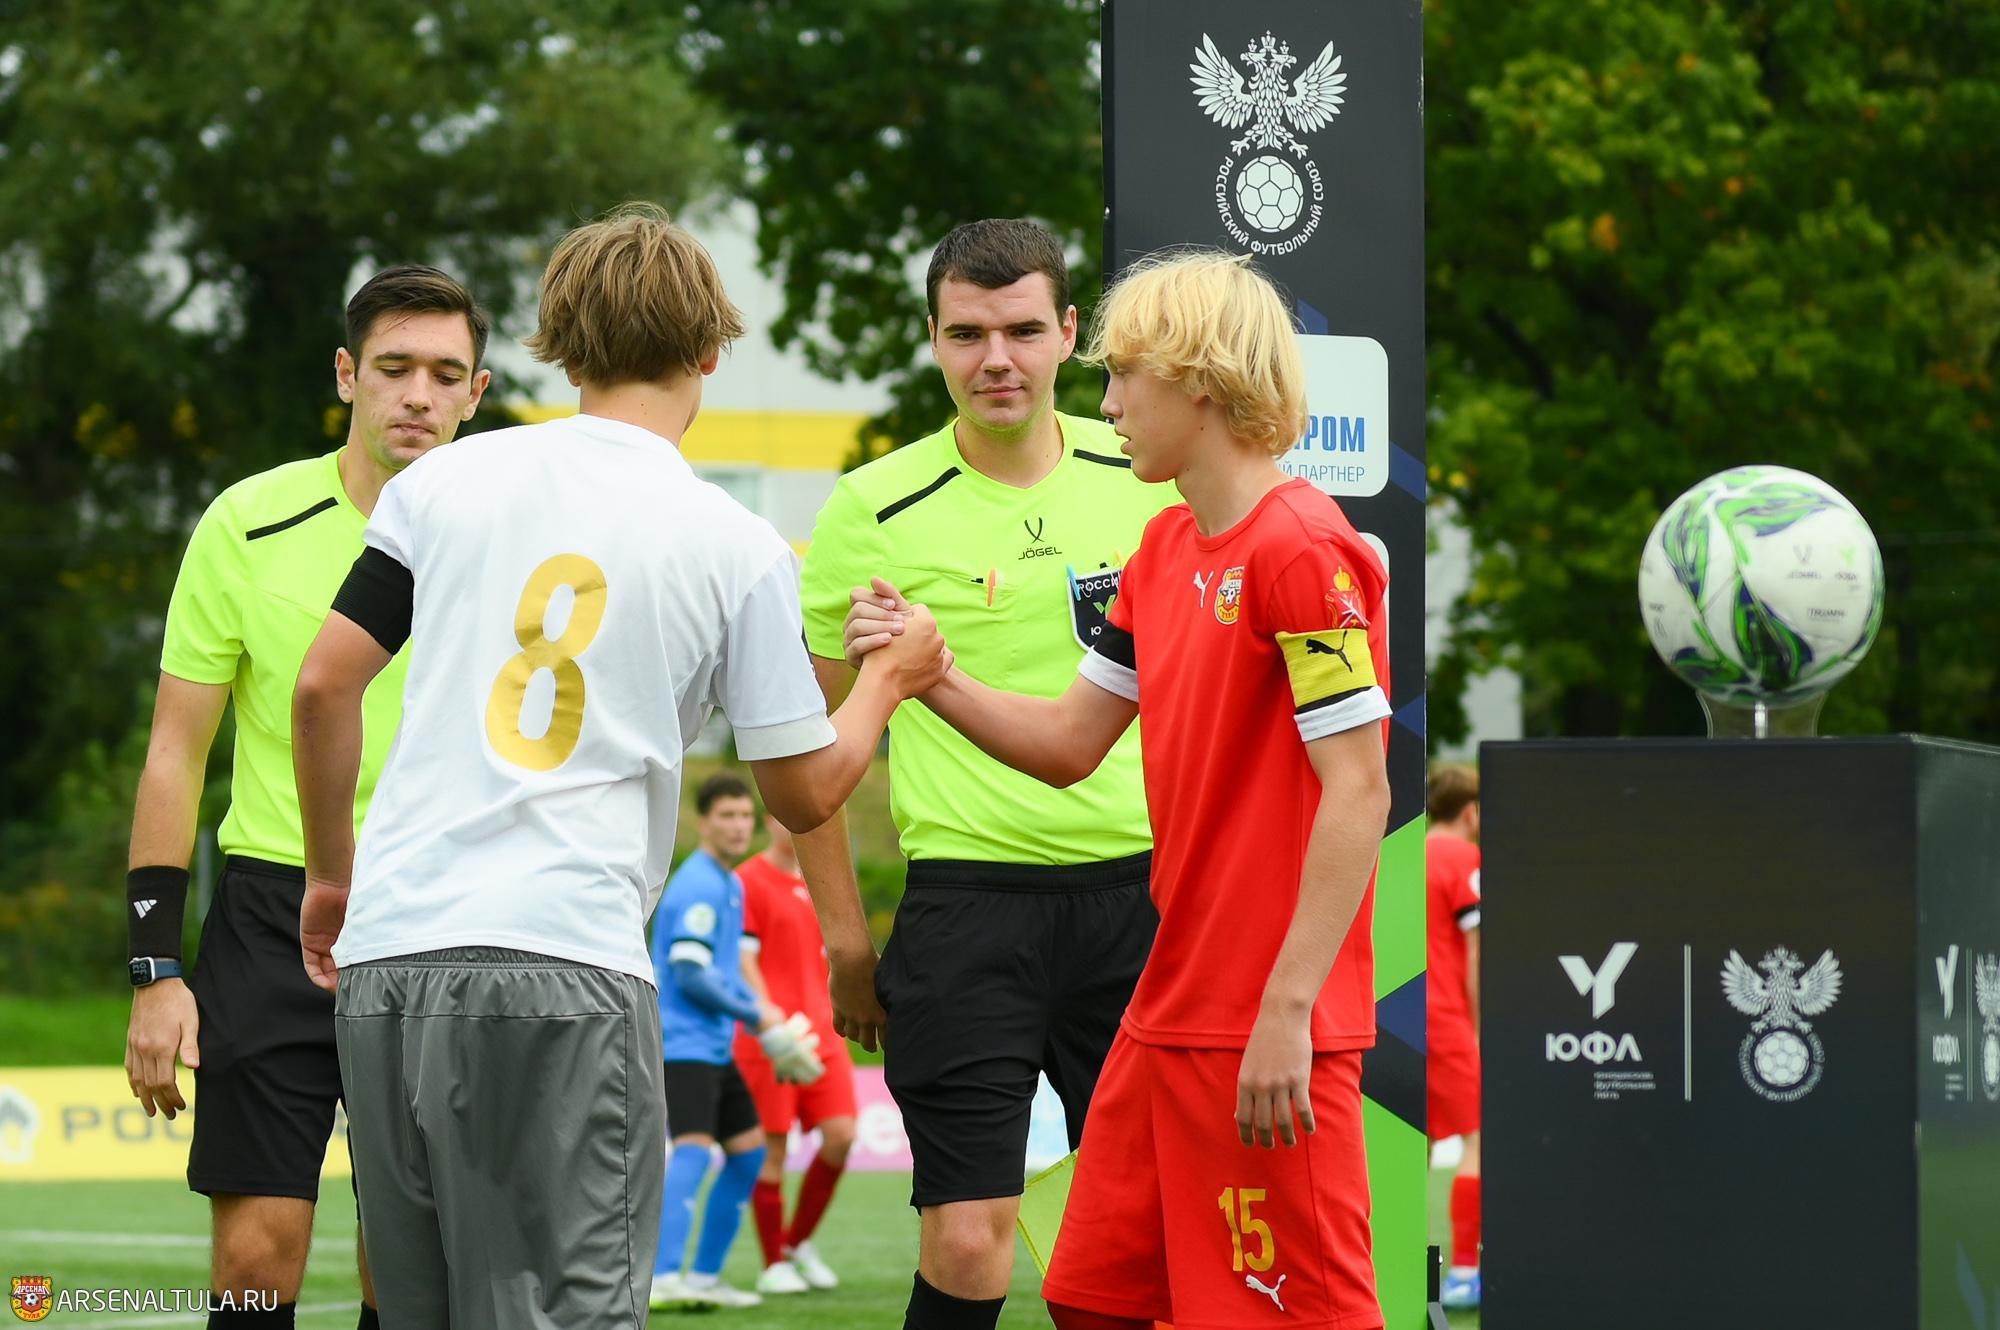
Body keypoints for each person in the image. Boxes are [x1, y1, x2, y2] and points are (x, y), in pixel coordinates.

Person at [289, 203, 949, 1330]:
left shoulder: (437, 484)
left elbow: (320, 686)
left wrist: (330, 877)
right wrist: (889, 679)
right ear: (710, 351)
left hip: (392, 959)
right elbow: (801, 790)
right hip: (564, 962)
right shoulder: (736, 543)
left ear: (560, 344)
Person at [848, 249, 1392, 1329]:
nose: (1106, 405)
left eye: (1124, 376)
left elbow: (1360, 791)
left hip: (1267, 1020)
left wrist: (1288, 1010)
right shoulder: (1160, 547)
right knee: (1091, 1295)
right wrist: (928, 670)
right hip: (1164, 1012)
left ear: (1199, 379)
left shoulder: (1301, 548)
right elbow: (1066, 744)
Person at [797, 217, 1172, 1330]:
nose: (995, 359)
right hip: (967, 907)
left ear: (1068, 333)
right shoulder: (870, 507)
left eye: (1021, 331)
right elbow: (810, 755)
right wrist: (845, 942)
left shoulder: (1150, 475)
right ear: (933, 340)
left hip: (1143, 903)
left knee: (1142, 1246)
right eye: (966, 334)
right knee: (968, 1243)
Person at [122, 263, 492, 1330]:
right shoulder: (248, 520)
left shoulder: (507, 539)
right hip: (269, 916)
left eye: (444, 374)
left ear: (476, 392)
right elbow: (174, 754)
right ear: (345, 374)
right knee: (256, 1258)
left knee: (408, 1274)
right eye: (393, 368)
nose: (416, 394)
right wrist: (154, 969)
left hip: (440, 920)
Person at [649, 771, 824, 1311]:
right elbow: (690, 972)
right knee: (693, 1150)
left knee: (749, 1155)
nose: (738, 825)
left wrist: (764, 1020)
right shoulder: (700, 884)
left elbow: (721, 971)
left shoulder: (728, 883)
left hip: (714, 1047)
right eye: (726, 815)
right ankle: (661, 1278)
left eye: (745, 815)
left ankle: (704, 1278)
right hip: (683, 1045)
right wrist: (759, 1018)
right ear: (703, 823)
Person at [732, 809, 857, 1296]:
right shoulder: (748, 881)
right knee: (773, 1152)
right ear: (770, 819)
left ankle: (795, 1244)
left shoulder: (821, 882)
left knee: (842, 1136)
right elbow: (743, 959)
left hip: (824, 1034)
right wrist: (771, 1020)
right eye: (785, 817)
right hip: (773, 1039)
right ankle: (772, 1264)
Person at [1426, 763, 1483, 1311]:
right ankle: (1465, 1271)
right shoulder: (1466, 859)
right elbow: (1475, 954)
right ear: (1470, 811)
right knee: (1475, 1139)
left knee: (1413, 1141)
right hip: (1446, 1018)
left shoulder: (1409, 852)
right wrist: (1480, 1027)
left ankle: (1396, 1266)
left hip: (1398, 1020)